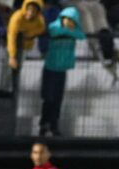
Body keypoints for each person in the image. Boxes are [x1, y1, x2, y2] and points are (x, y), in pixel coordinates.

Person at [39, 6, 85, 137]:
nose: (68, 22)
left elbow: (81, 36)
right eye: (66, 19)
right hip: (50, 69)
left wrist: (68, 31)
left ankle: (54, 125)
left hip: (62, 70)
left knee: (58, 99)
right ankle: (44, 124)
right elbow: (53, 31)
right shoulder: (54, 26)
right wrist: (67, 31)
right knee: (48, 98)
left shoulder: (74, 30)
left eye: (71, 20)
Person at [0, 0, 45, 96]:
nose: (30, 12)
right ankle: (2, 90)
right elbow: (11, 37)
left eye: (34, 10)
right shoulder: (17, 17)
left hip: (25, 47)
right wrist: (12, 56)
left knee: (18, 68)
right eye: (29, 9)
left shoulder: (39, 20)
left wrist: (29, 34)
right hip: (11, 45)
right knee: (7, 67)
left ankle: (13, 90)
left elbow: (41, 29)